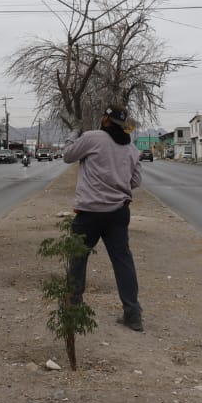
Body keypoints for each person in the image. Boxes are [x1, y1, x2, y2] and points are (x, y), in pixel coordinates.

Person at [61, 102, 145, 332]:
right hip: (118, 212)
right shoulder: (131, 148)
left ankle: (74, 309)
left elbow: (68, 156)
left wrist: (73, 135)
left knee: (78, 259)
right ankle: (133, 314)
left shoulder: (92, 137)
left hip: (89, 212)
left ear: (105, 119)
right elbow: (136, 181)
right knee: (122, 261)